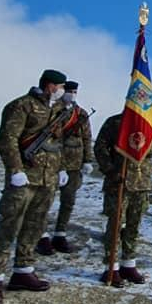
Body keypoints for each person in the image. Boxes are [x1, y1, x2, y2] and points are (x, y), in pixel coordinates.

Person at [0, 69, 69, 304]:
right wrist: (15, 169)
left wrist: (61, 168)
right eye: (59, 86)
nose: (62, 91)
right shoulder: (22, 105)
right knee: (10, 225)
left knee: (35, 225)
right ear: (50, 85)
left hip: (47, 179)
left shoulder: (59, 110)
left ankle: (23, 270)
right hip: (24, 177)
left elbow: (57, 143)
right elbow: (7, 139)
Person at [94, 113, 152, 287]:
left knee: (134, 225)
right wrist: (110, 170)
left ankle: (128, 264)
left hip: (141, 182)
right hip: (119, 181)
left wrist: (142, 146)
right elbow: (100, 147)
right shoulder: (116, 122)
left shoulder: (151, 123)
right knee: (115, 225)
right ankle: (111, 266)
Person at [40, 81, 93, 255]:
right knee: (44, 201)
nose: (71, 94)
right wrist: (60, 166)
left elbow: (87, 138)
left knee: (68, 201)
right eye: (68, 90)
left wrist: (87, 160)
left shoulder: (81, 114)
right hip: (53, 163)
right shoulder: (54, 111)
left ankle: (60, 234)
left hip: (75, 165)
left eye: (74, 91)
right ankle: (41, 235)